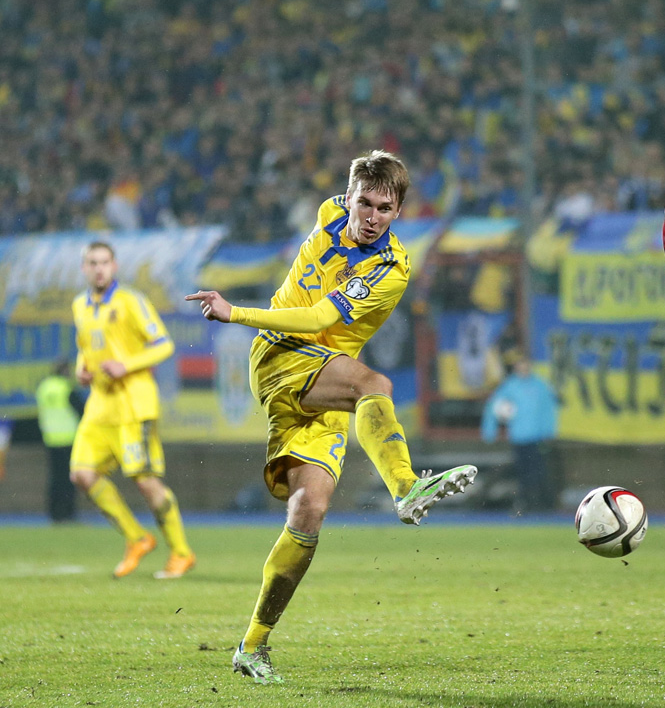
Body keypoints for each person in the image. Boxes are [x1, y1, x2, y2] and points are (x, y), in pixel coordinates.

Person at [187, 150, 477, 685]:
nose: (370, 216)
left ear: (398, 212)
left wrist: (236, 310)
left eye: (383, 208)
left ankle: (252, 646)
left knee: (309, 512)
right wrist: (240, 317)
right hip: (279, 355)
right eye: (362, 203)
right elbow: (310, 318)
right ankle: (406, 485)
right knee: (375, 383)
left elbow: (323, 316)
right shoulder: (327, 214)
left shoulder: (390, 269)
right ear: (347, 197)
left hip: (321, 381)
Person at [70, 241, 195, 579]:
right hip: (99, 407)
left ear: (115, 266)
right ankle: (137, 538)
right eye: (92, 262)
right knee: (81, 473)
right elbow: (86, 347)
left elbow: (164, 344)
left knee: (146, 483)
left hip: (132, 406)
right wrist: (81, 368)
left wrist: (126, 365)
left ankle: (181, 553)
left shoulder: (131, 301)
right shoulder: (79, 305)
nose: (98, 268)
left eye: (104, 262)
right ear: (84, 268)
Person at [481, 353, 559, 512]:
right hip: (519, 437)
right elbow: (493, 406)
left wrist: (549, 431)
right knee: (523, 472)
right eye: (520, 365)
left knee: (539, 471)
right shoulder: (510, 386)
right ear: (516, 367)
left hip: (537, 437)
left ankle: (542, 504)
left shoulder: (539, 385)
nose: (523, 368)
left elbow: (548, 408)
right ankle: (526, 503)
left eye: (525, 364)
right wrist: (490, 431)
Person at [36, 360, 85, 522]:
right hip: (68, 439)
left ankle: (54, 513)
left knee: (55, 479)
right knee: (68, 480)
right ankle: (67, 513)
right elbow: (82, 411)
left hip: (50, 439)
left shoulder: (44, 388)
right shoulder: (66, 388)